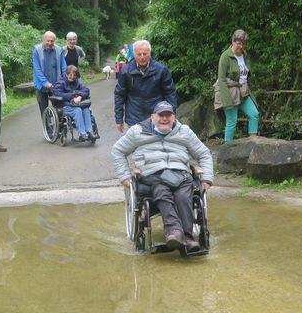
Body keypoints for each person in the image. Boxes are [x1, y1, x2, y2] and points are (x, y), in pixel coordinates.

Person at [112, 101, 214, 252]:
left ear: (174, 117)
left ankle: (186, 236)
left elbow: (204, 154)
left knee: (183, 196)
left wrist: (206, 178)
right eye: (161, 115)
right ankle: (174, 231)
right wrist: (125, 176)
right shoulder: (137, 132)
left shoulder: (184, 131)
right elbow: (117, 151)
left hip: (180, 174)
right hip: (154, 174)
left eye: (168, 115)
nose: (164, 118)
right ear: (152, 117)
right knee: (161, 190)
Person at [114, 40, 177, 132]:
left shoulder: (161, 70)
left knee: (156, 145)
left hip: (157, 116)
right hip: (134, 117)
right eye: (139, 54)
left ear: (150, 54)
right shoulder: (125, 72)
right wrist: (119, 119)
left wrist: (172, 114)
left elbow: (170, 92)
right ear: (134, 55)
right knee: (136, 145)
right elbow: (119, 95)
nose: (142, 57)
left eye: (145, 54)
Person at [214, 29, 260, 142]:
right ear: (233, 41)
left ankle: (253, 143)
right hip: (230, 92)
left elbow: (246, 74)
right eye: (239, 43)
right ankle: (226, 151)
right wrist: (227, 102)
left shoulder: (245, 55)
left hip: (243, 91)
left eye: (243, 43)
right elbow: (221, 80)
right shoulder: (225, 56)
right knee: (232, 121)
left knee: (254, 114)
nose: (241, 46)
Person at [53, 65, 96, 141]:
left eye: (74, 75)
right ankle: (82, 134)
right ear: (67, 74)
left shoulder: (77, 82)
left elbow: (86, 90)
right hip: (65, 106)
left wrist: (80, 97)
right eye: (70, 75)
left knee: (86, 109)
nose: (72, 77)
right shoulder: (61, 82)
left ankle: (90, 132)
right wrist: (73, 97)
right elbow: (58, 93)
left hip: (77, 104)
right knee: (78, 110)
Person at [33, 31, 67, 118]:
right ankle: (48, 130)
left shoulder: (59, 50)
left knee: (60, 109)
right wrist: (45, 83)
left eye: (52, 41)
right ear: (44, 40)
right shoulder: (37, 50)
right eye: (48, 41)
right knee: (44, 112)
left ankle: (60, 129)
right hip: (41, 86)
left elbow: (64, 67)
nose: (50, 43)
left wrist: (64, 80)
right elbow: (37, 70)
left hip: (56, 85)